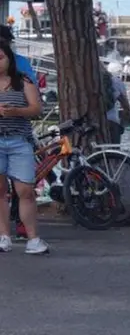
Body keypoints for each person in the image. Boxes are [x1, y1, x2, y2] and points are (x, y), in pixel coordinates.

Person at [0, 39, 46, 254]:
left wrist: (16, 111)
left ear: (9, 59)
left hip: (19, 141)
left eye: (0, 58)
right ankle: (4, 236)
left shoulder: (23, 81)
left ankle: (33, 238)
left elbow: (36, 108)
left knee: (25, 190)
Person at [105, 62, 130, 145]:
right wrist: (122, 125)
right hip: (112, 121)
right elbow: (126, 108)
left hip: (93, 123)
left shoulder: (94, 80)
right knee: (114, 152)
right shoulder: (117, 82)